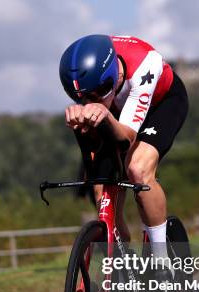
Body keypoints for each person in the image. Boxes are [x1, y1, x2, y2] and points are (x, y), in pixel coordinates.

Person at [59, 34, 189, 275]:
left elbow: (125, 138)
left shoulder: (144, 66)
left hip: (161, 105)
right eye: (83, 97)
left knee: (137, 170)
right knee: (101, 190)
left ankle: (162, 263)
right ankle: (123, 263)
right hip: (117, 112)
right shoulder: (93, 79)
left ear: (116, 75)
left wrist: (105, 115)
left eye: (100, 91)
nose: (91, 100)